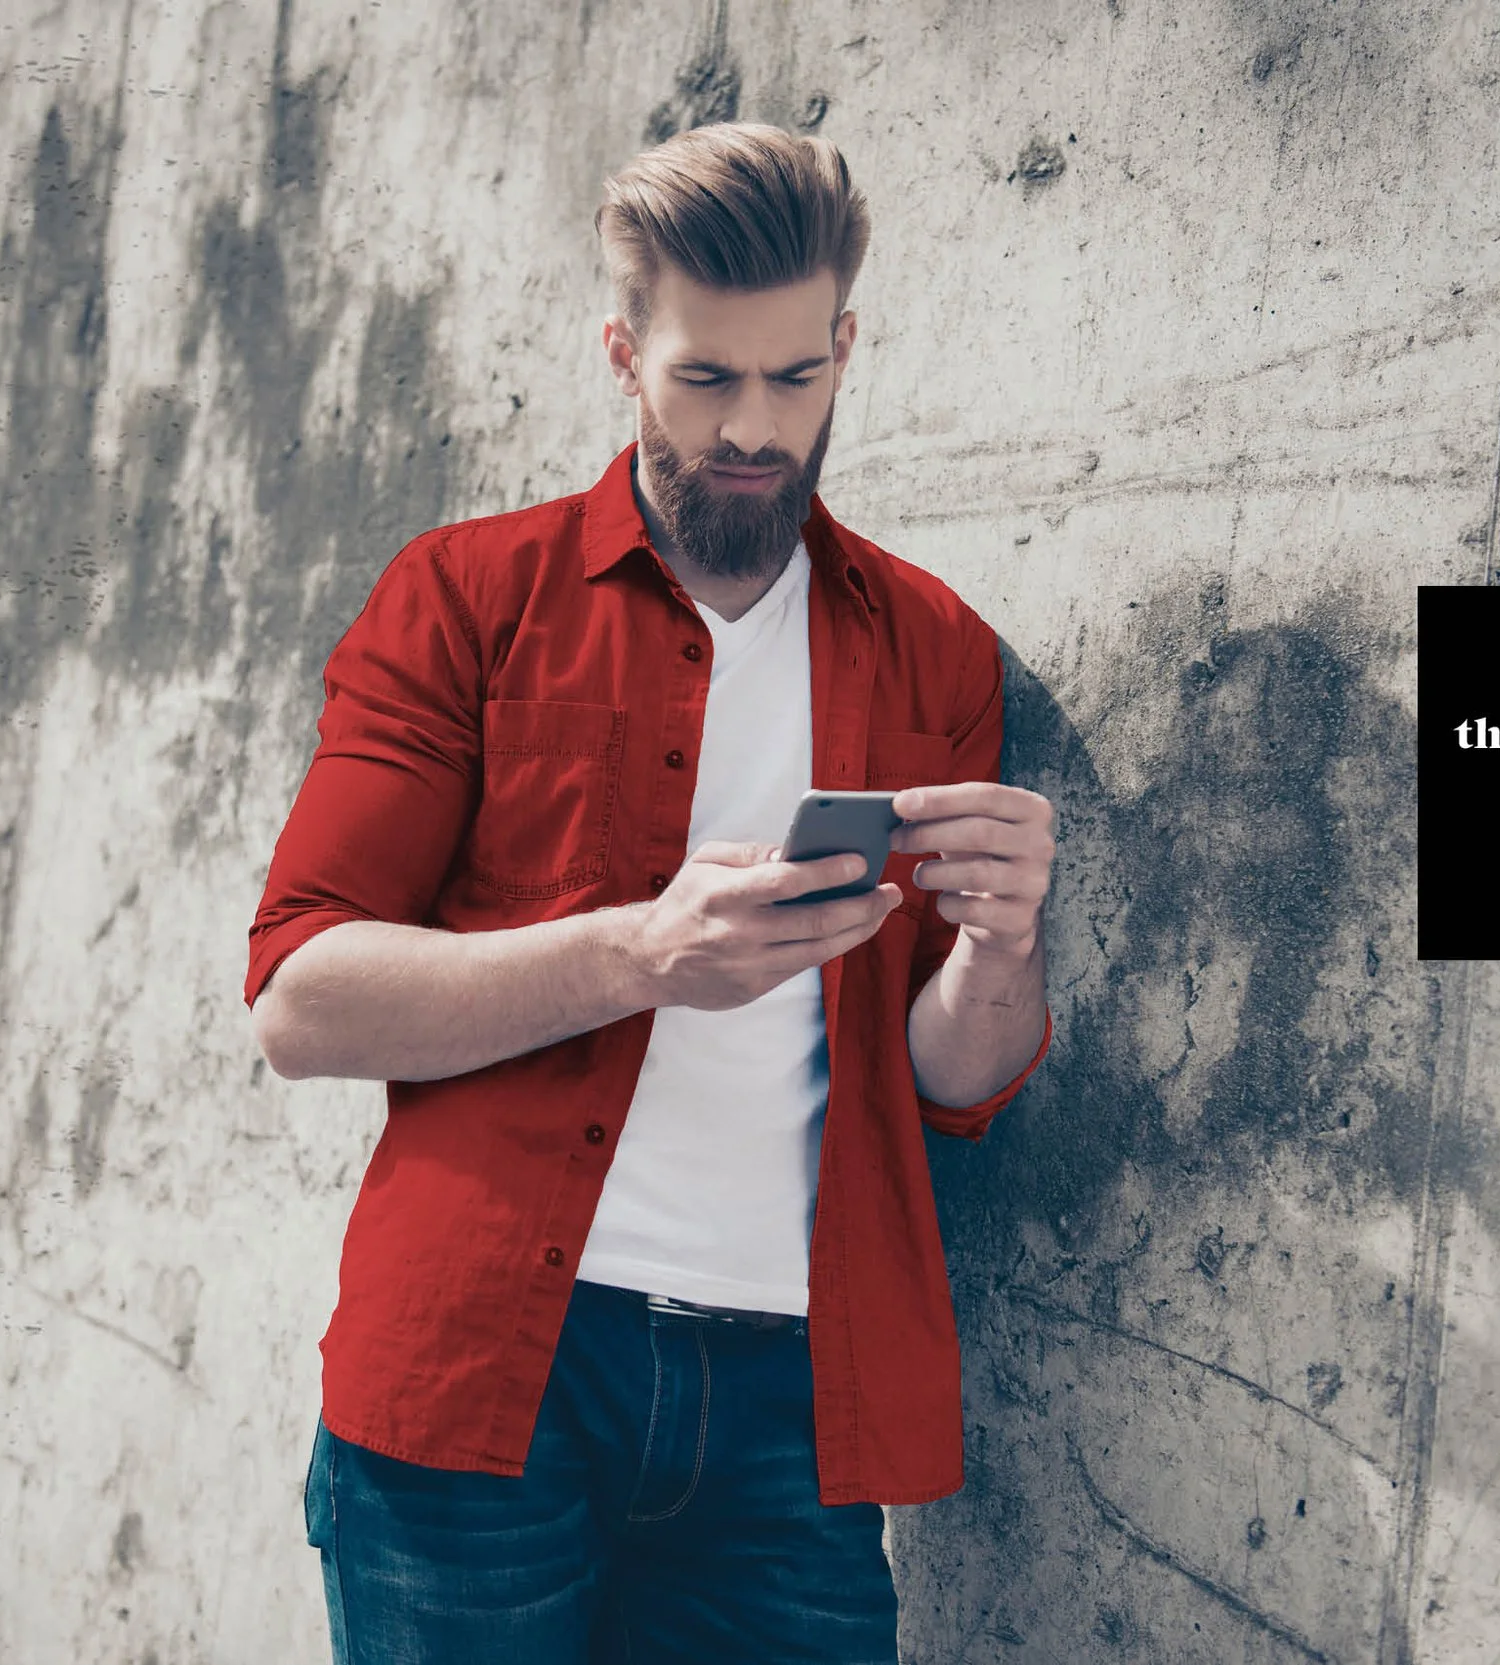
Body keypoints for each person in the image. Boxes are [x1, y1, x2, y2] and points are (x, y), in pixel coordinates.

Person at [243, 121, 1055, 1664]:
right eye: (706, 380)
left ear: (844, 347)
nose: (755, 428)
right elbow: (301, 1000)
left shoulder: (935, 648)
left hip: (791, 1411)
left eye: (796, 379)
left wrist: (1001, 946)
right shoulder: (470, 599)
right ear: (624, 353)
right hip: (488, 1378)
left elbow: (952, 1083)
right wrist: (643, 953)